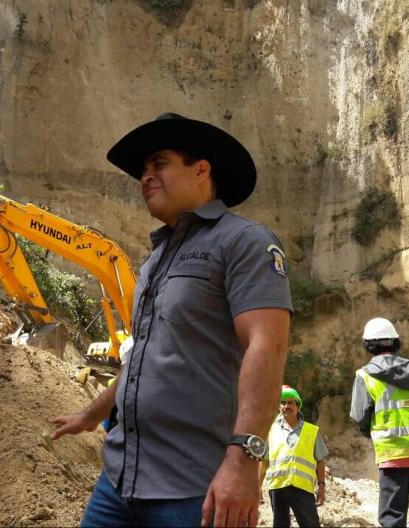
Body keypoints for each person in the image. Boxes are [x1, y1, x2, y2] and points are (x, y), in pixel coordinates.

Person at [50, 113, 293, 527]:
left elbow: (267, 346)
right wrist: (93, 413)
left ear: (201, 170)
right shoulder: (154, 261)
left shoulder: (244, 242)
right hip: (119, 480)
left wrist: (243, 459)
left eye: (159, 164)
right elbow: (144, 354)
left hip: (194, 491)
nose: (145, 177)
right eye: (142, 171)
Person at [350, 317, 409, 528]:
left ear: (368, 344)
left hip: (394, 453)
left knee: (392, 517)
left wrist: (374, 433)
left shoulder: (365, 376)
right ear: (395, 342)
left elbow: (359, 417)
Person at [261, 385, 328, 528]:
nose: (286, 406)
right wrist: (257, 487)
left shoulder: (312, 431)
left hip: (302, 488)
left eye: (290, 402)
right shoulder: (271, 431)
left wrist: (321, 486)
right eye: (283, 403)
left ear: (298, 406)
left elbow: (320, 460)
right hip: (277, 487)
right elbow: (264, 461)